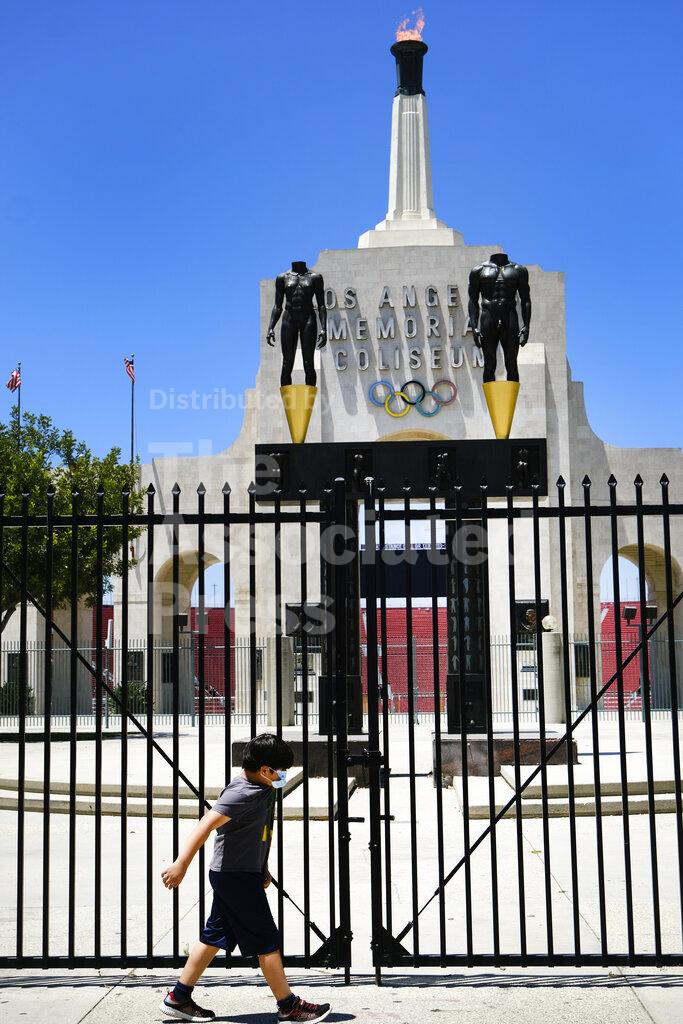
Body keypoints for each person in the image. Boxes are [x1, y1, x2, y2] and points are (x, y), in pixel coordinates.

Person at [159, 733, 331, 1023]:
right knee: (266, 940)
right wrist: (181, 864)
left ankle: (178, 997)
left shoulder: (263, 786)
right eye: (280, 771)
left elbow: (261, 832)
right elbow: (206, 824)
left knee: (214, 936)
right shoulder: (241, 793)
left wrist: (261, 866)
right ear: (266, 770)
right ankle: (289, 1005)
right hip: (235, 877)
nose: (283, 776)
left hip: (240, 873)